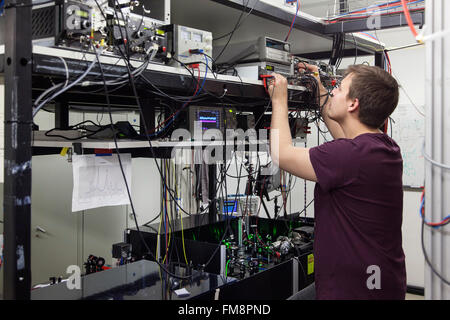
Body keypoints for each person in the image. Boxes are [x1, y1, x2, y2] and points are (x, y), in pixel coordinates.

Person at [269, 63, 406, 300]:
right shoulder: (383, 147)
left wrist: (279, 99)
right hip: (381, 281)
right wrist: (320, 88)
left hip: (354, 289)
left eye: (339, 89)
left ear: (353, 104)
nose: (333, 91)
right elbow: (344, 133)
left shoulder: (347, 155)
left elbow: (281, 154)